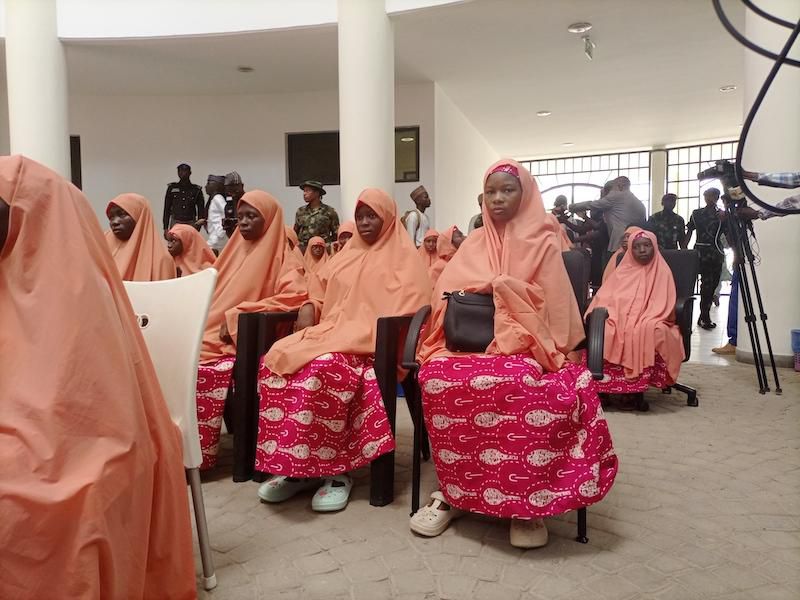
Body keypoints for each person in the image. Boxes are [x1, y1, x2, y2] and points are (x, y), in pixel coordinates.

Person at [0, 155, 195, 599]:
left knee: (33, 499)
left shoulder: (80, 289)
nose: (119, 224)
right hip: (23, 428)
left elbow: (85, 411)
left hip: (77, 437)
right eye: (113, 218)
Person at [409, 159, 617, 548]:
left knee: (521, 381)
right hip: (471, 343)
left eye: (508, 190)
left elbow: (556, 310)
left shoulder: (543, 239)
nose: (498, 199)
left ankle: (527, 504)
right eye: (491, 192)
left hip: (530, 342)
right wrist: (495, 286)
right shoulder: (473, 242)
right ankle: (454, 490)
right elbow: (445, 298)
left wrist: (507, 293)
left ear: (525, 194)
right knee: (438, 377)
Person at [255, 188, 430, 512]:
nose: (363, 222)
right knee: (277, 361)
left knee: (324, 369)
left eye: (371, 216)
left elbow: (413, 310)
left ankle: (337, 473)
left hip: (373, 345)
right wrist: (310, 305)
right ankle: (296, 468)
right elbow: (321, 292)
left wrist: (362, 336)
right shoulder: (346, 254)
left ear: (389, 218)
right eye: (360, 215)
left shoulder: (405, 258)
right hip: (334, 333)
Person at [195, 191, 311, 470]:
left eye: (251, 216)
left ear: (269, 219)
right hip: (205, 327)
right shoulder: (232, 251)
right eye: (241, 216)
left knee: (197, 366)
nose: (243, 222)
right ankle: (168, 449)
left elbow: (294, 298)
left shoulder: (285, 257)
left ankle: (195, 457)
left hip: (246, 337)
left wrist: (240, 313)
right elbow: (207, 291)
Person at [586, 230, 685, 408]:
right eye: (637, 247)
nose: (642, 250)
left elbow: (664, 303)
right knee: (604, 328)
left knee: (648, 330)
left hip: (651, 317)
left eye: (646, 246)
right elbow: (606, 297)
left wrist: (642, 318)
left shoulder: (662, 271)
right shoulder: (622, 271)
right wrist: (615, 315)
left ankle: (633, 392)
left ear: (654, 246)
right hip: (619, 316)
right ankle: (603, 388)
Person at [712, 184, 800, 355]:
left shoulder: (744, 212)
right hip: (741, 260)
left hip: (748, 258)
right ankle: (734, 339)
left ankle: (735, 339)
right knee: (737, 297)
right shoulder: (732, 215)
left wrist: (757, 213)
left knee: (740, 296)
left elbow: (792, 198)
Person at [570, 176, 647, 259]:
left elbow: (591, 204)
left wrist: (572, 207)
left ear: (619, 186)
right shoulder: (639, 203)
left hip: (619, 243)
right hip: (637, 243)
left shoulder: (617, 196)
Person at [105, 193, 176, 281]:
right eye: (111, 217)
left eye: (122, 214)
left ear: (140, 217)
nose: (115, 222)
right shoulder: (104, 249)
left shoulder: (161, 260)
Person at [685, 187, 726, 330]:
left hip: (715, 253)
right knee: (703, 286)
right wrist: (683, 248)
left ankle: (704, 315)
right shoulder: (697, 214)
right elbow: (689, 230)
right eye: (706, 195)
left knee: (711, 286)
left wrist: (737, 253)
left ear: (717, 197)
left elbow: (728, 235)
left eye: (712, 195)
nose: (708, 198)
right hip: (700, 253)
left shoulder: (722, 215)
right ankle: (704, 316)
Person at [294, 180, 340, 252]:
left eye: (308, 191)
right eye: (304, 191)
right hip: (303, 251)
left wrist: (327, 246)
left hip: (321, 251)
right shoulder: (300, 211)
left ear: (317, 193)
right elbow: (295, 232)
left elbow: (336, 234)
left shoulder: (329, 211)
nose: (304, 194)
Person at [163, 162, 205, 233]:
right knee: (174, 242)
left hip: (190, 221)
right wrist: (165, 228)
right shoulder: (172, 188)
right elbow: (167, 209)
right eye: (180, 171)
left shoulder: (196, 190)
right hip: (175, 221)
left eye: (185, 170)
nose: (182, 173)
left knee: (190, 243)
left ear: (190, 172)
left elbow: (201, 209)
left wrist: (198, 226)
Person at [205, 174, 228, 254]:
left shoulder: (218, 198)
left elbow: (226, 212)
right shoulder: (213, 199)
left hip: (217, 236)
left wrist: (221, 231)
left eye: (208, 183)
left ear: (216, 186)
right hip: (214, 235)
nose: (205, 186)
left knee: (207, 253)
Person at [223, 171, 244, 238]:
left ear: (242, 186)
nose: (233, 194)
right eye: (229, 191)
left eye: (235, 190)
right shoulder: (228, 205)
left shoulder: (249, 202)